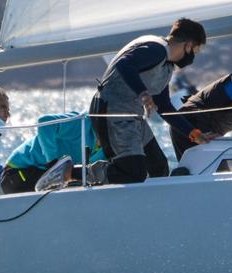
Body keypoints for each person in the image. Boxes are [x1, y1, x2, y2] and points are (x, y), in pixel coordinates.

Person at [87, 18, 206, 184]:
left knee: (159, 167)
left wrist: (194, 134)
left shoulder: (166, 65)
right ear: (188, 45)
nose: (193, 56)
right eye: (195, 50)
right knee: (134, 173)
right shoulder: (156, 49)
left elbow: (164, 106)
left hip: (131, 117)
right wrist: (143, 94)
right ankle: (74, 173)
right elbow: (124, 64)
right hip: (111, 113)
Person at [0, 111, 105, 194]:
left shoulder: (110, 147)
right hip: (17, 172)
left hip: (49, 176)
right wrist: (53, 162)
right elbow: (44, 122)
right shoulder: (83, 122)